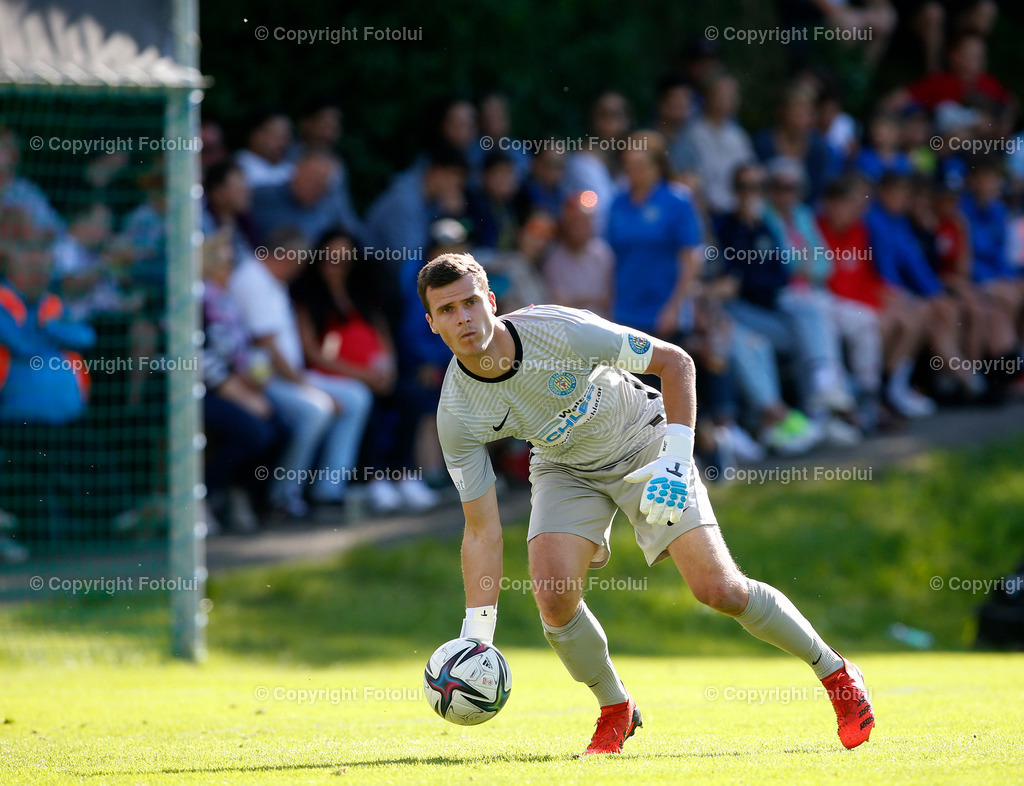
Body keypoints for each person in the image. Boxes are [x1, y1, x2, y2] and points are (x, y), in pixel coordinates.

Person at [419, 252, 875, 755]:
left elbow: (676, 362)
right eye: (447, 310)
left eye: (469, 303)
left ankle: (835, 673)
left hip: (644, 441)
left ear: (491, 301)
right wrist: (476, 636)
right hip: (564, 466)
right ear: (432, 323)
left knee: (719, 590)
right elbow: (481, 530)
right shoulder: (456, 413)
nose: (462, 318)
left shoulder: (558, 330)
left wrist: (677, 461)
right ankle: (616, 708)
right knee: (552, 596)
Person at [290, 229, 438, 513]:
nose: (337, 266)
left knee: (410, 396)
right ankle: (373, 477)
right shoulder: (307, 297)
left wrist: (389, 368)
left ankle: (403, 474)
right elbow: (313, 353)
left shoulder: (362, 293)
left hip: (375, 374)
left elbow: (381, 332)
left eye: (344, 260)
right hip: (335, 378)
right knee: (363, 400)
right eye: (331, 259)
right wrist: (362, 375)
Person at [201, 229, 289, 533]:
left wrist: (254, 378)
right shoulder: (197, 299)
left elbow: (238, 349)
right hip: (199, 392)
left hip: (234, 385)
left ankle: (240, 492)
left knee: (280, 427)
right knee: (253, 433)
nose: (231, 267)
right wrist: (237, 391)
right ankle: (205, 494)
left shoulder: (226, 300)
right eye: (225, 262)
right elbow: (196, 357)